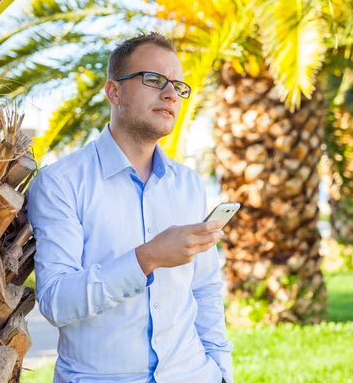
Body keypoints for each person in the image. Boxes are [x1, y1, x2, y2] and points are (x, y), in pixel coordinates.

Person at [26, 32, 234, 383]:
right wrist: (146, 258)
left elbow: (206, 290)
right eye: (154, 80)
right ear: (114, 91)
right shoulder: (60, 183)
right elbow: (56, 301)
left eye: (179, 87)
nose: (171, 94)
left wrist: (221, 372)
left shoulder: (189, 185)